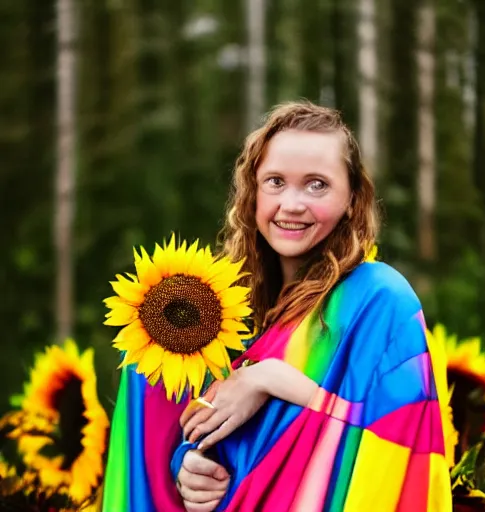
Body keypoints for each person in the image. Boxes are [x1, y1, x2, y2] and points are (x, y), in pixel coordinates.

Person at [102, 101, 452, 512]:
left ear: (353, 198)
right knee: (147, 342)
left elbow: (402, 441)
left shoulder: (376, 300)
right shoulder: (223, 310)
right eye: (275, 182)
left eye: (317, 184)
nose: (292, 204)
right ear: (252, 192)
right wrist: (186, 464)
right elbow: (207, 432)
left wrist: (270, 379)